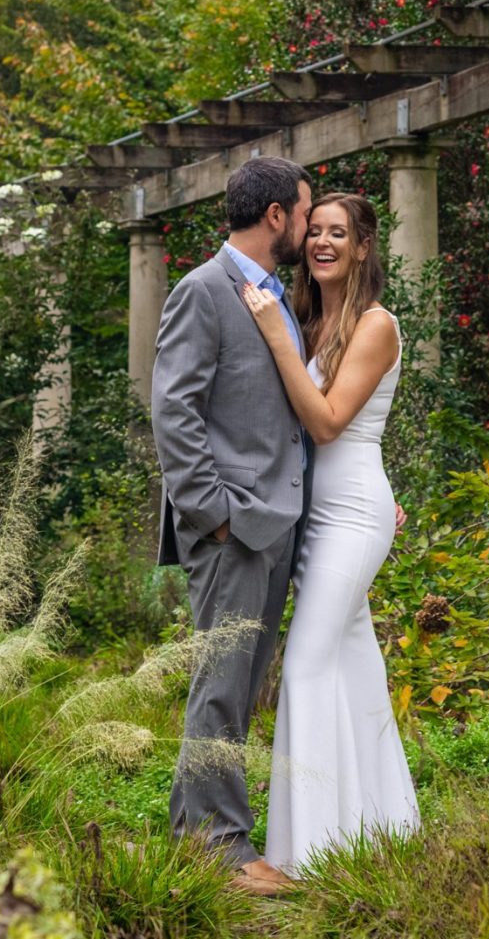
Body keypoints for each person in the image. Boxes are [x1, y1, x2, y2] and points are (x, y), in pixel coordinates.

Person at [237, 190, 421, 878]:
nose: (321, 242)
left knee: (308, 666)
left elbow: (327, 422)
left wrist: (278, 339)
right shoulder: (313, 320)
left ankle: (301, 858)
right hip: (316, 517)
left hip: (351, 518)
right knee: (351, 666)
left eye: (337, 233)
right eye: (315, 231)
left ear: (363, 247)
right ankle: (382, 833)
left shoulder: (376, 324)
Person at [151, 155, 314, 896]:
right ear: (276, 215)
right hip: (231, 527)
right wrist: (212, 515)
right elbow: (174, 410)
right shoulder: (202, 290)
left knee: (238, 686)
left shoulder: (275, 296)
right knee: (222, 685)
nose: (310, 229)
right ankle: (223, 846)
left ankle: (191, 839)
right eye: (306, 213)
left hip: (274, 523)